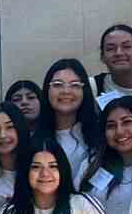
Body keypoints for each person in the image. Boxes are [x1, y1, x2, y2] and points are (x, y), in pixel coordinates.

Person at [40, 56, 105, 186]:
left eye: (75, 85)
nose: (66, 91)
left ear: (84, 91)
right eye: (58, 85)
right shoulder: (35, 140)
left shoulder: (101, 138)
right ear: (47, 90)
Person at [93, 22, 132, 100]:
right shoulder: (92, 87)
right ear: (102, 56)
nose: (119, 53)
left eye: (126, 47)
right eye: (110, 48)